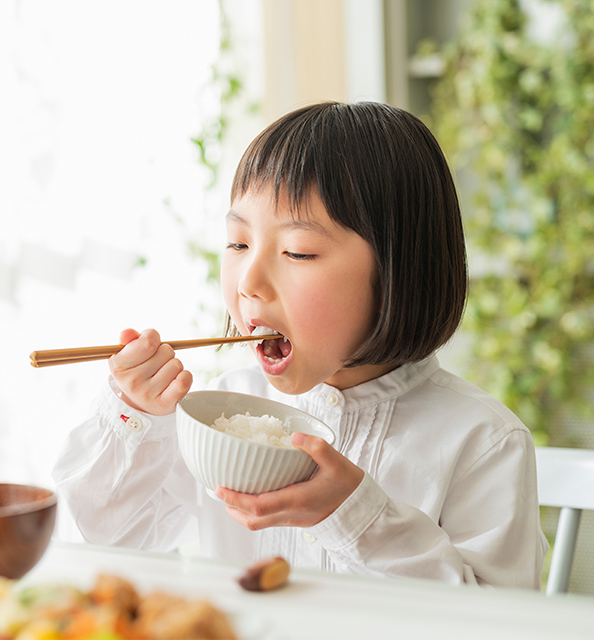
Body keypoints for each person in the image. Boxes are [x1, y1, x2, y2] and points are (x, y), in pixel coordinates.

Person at [53, 101, 548, 588]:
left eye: (298, 251)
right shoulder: (221, 416)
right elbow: (109, 543)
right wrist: (133, 417)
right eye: (238, 243)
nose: (249, 281)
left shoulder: (483, 442)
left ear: (401, 270)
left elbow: (500, 621)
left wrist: (355, 515)